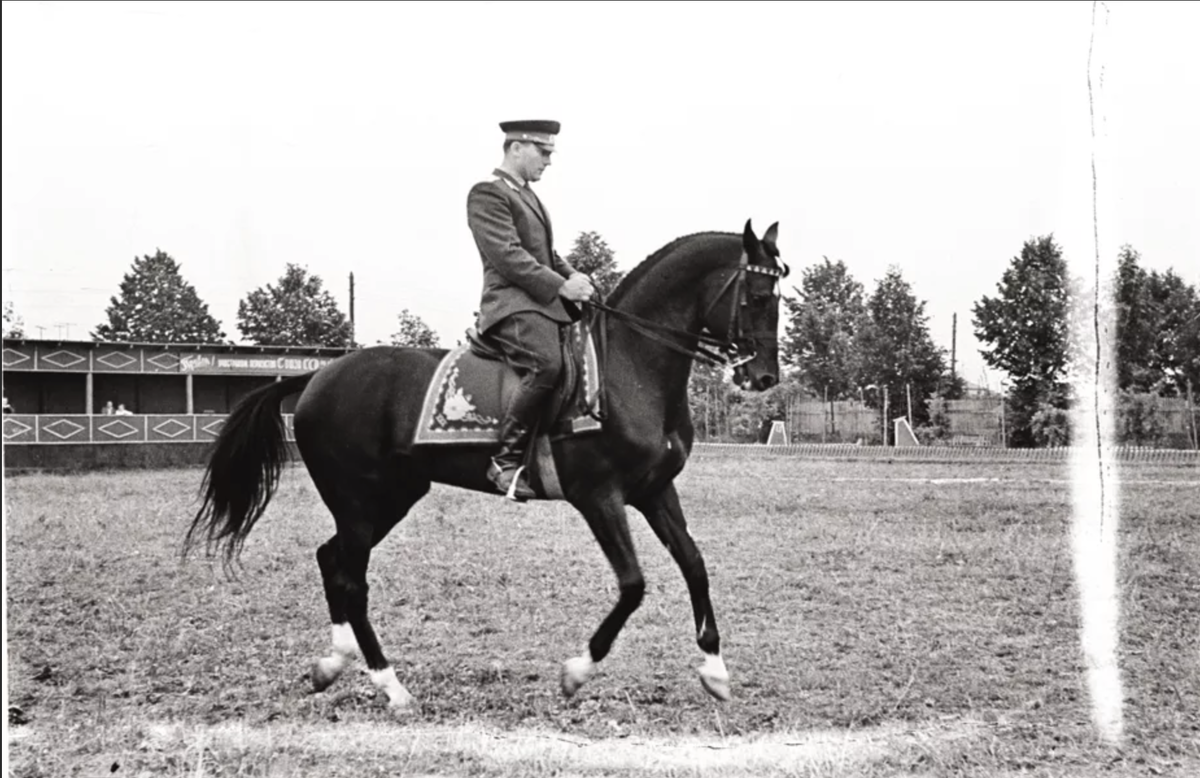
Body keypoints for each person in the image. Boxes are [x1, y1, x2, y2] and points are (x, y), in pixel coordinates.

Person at [467, 119, 595, 501]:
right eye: (543, 152)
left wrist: (575, 276)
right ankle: (504, 463)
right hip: (510, 305)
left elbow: (547, 255)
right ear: (516, 147)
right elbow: (507, 256)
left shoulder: (528, 196)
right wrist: (560, 286)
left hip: (539, 303)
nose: (548, 161)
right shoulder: (488, 193)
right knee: (547, 364)